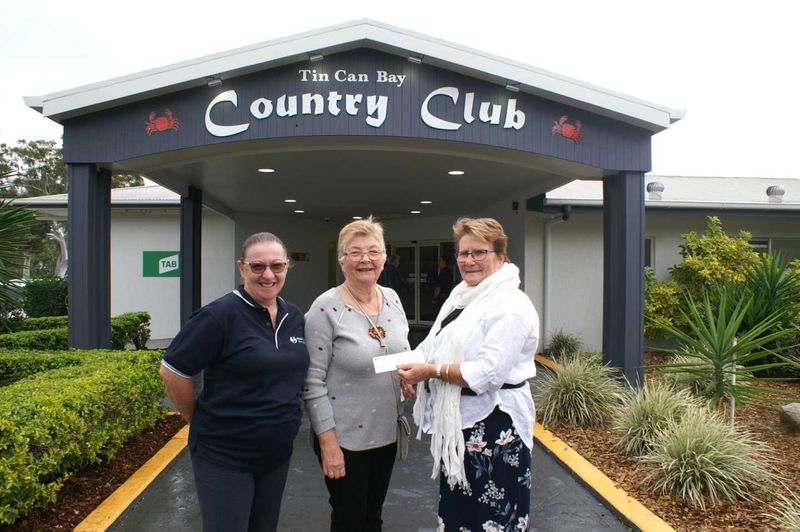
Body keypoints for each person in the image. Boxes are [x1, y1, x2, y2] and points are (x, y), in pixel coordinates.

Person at [159, 232, 309, 532]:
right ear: (241, 268)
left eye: (277, 266)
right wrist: (197, 418)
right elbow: (172, 371)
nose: (268, 274)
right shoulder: (219, 315)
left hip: (275, 455)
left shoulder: (294, 315)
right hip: (225, 456)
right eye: (257, 266)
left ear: (287, 267)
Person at [397, 217, 538, 532]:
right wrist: (412, 369)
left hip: (496, 426)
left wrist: (431, 371)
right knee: (459, 512)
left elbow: (488, 373)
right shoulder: (461, 297)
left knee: (494, 517)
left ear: (500, 255)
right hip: (460, 425)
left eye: (479, 252)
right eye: (463, 253)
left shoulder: (511, 305)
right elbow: (433, 345)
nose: (469, 261)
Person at [303, 216, 410, 532]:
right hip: (344, 437)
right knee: (349, 519)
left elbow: (398, 353)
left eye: (373, 251)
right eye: (355, 252)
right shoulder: (325, 308)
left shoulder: (391, 297)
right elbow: (311, 381)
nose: (366, 259)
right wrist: (328, 444)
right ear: (342, 260)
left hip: (386, 431)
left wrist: (408, 376)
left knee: (373, 516)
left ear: (385, 257)